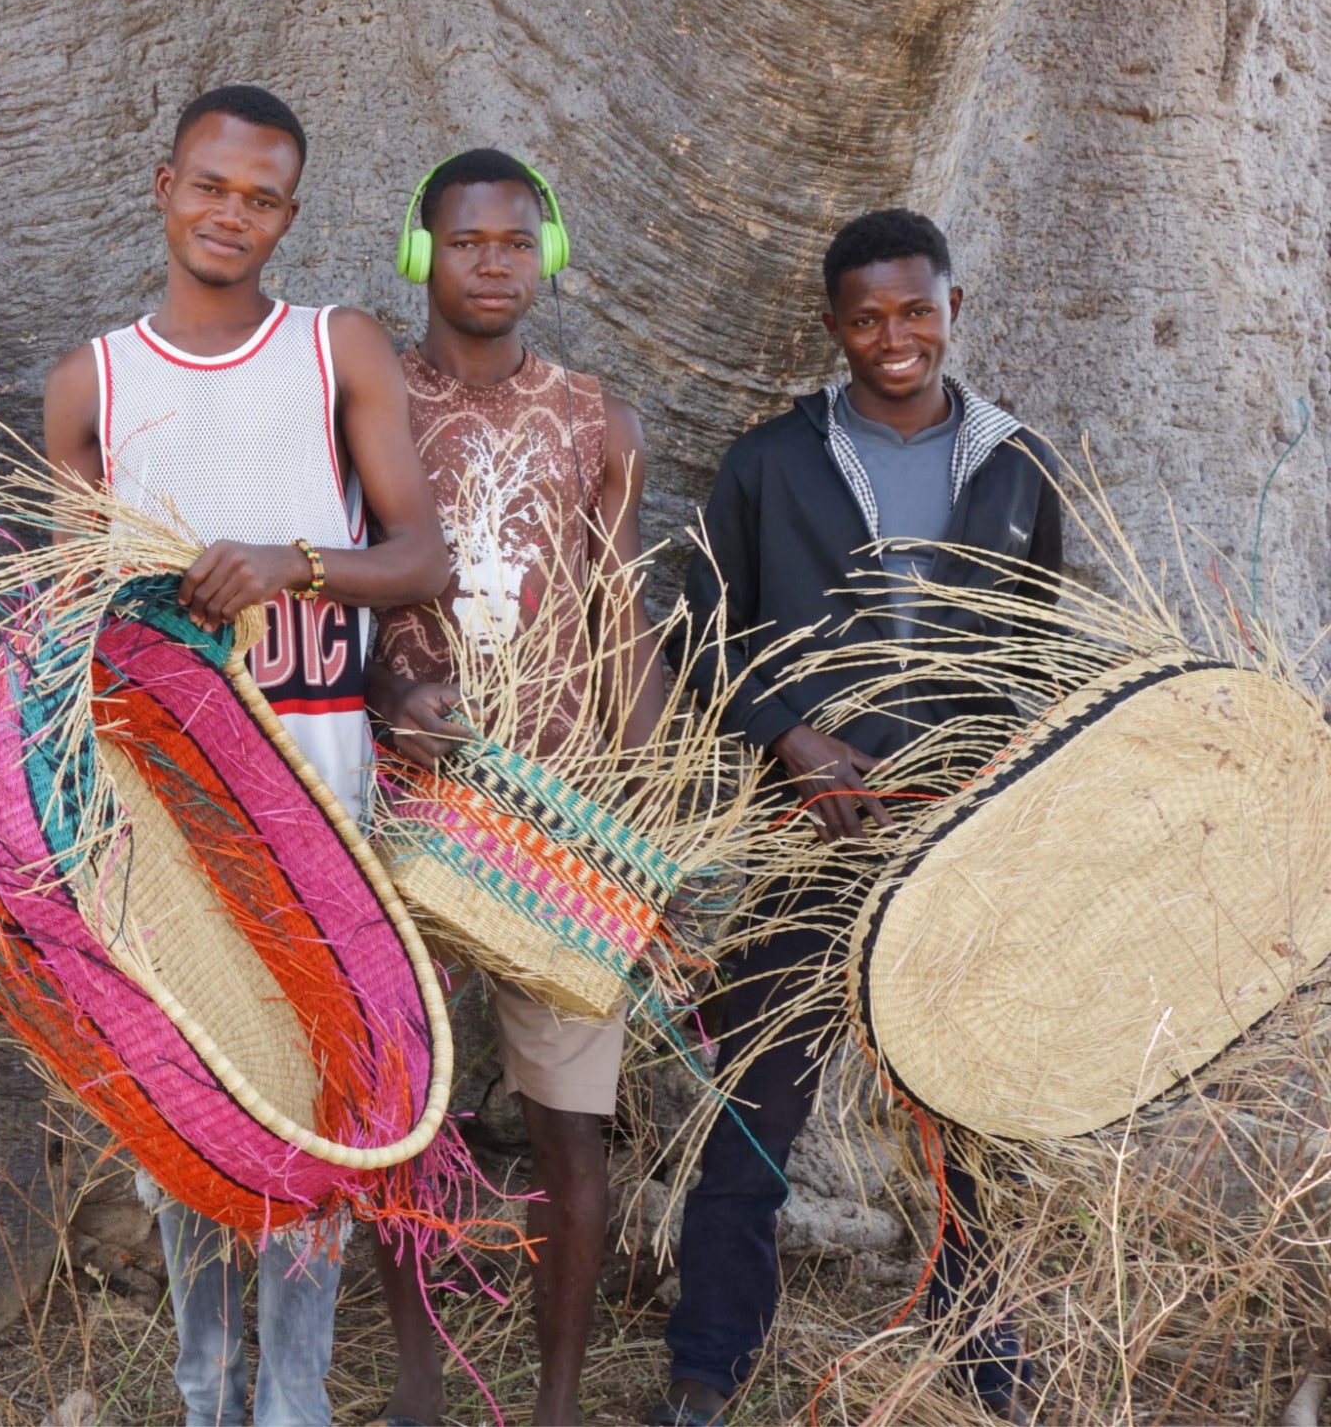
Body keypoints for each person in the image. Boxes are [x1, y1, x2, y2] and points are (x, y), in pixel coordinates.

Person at [41, 85, 448, 1427]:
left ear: (289, 215)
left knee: (318, 1093)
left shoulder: (335, 348)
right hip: (161, 807)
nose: (232, 214)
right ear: (164, 187)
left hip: (318, 791)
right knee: (190, 1103)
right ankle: (205, 1391)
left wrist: (293, 564)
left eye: (261, 198)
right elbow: (72, 617)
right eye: (210, 186)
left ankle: (293, 1400)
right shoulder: (92, 384)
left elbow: (421, 557)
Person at [649, 209, 1062, 1427]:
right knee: (757, 1107)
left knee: (967, 1102)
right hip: (805, 841)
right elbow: (698, 634)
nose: (894, 337)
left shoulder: (1016, 467)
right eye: (866, 317)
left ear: (950, 309)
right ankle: (706, 1367)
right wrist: (791, 740)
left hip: (954, 843)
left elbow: (1037, 652)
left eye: (915, 311)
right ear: (833, 326)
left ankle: (980, 1351)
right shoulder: (769, 463)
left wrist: (994, 794)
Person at [364, 148, 665, 1427]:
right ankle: (416, 1382)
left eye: (513, 241)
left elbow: (624, 621)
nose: (492, 264)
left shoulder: (596, 419)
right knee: (399, 1103)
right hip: (404, 809)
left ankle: (553, 1400)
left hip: (557, 817)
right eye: (465, 240)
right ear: (419, 254)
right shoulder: (368, 400)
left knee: (568, 1123)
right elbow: (330, 597)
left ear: (545, 254)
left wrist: (652, 811)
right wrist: (390, 701)